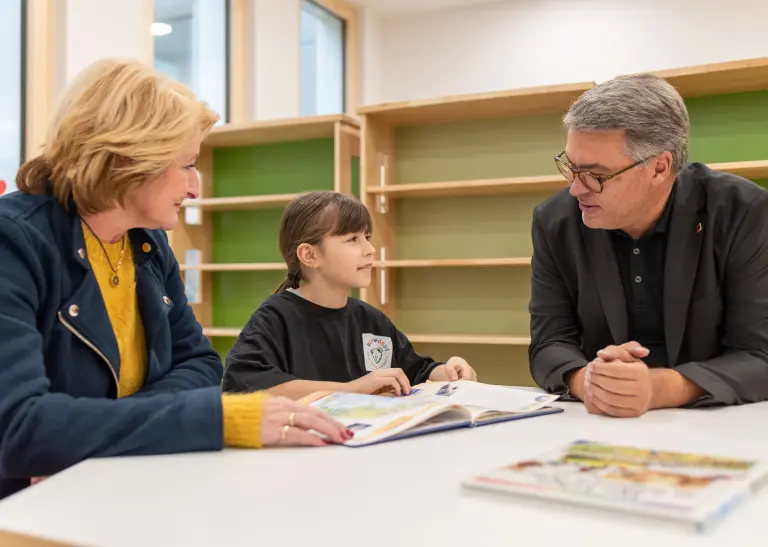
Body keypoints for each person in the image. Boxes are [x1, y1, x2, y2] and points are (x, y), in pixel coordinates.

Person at [0, 59, 349, 499]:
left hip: (115, 484)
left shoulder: (147, 243)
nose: (195, 188)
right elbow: (17, 428)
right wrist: (222, 420)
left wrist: (87, 435)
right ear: (129, 159)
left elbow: (201, 365)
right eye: (186, 165)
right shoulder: (13, 241)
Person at [528, 73, 768, 418]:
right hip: (598, 426)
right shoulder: (556, 220)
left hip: (719, 423)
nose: (576, 189)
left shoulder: (743, 212)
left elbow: (759, 354)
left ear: (659, 167)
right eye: (570, 166)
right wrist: (589, 381)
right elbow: (548, 343)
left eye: (596, 174)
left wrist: (657, 388)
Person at [221, 191, 478, 400]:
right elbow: (243, 387)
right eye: (353, 239)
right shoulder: (276, 317)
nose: (370, 249)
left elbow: (415, 370)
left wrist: (446, 371)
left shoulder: (370, 319)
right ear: (310, 255)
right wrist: (353, 389)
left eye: (367, 237)